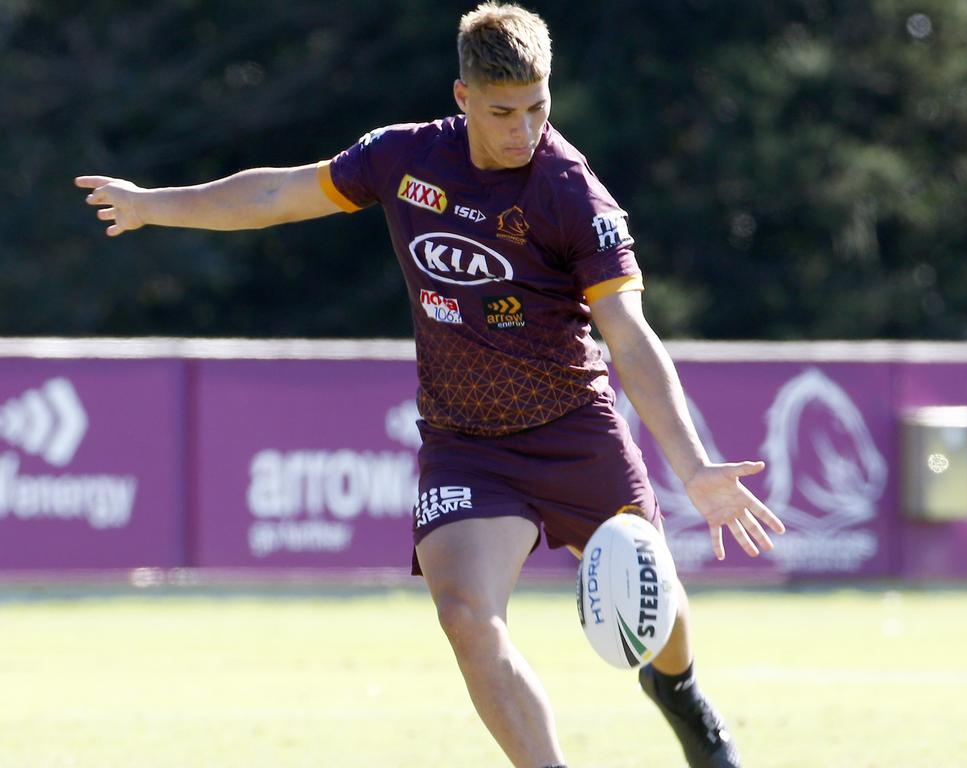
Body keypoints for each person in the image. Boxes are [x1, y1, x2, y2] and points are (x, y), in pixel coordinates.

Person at [76, 4, 785, 767]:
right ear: (462, 97)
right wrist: (154, 205)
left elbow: (629, 336)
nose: (524, 130)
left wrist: (692, 464)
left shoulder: (572, 193)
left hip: (575, 427)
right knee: (465, 616)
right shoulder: (402, 160)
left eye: (539, 107)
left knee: (653, 611)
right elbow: (277, 195)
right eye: (503, 111)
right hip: (465, 443)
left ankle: (680, 696)